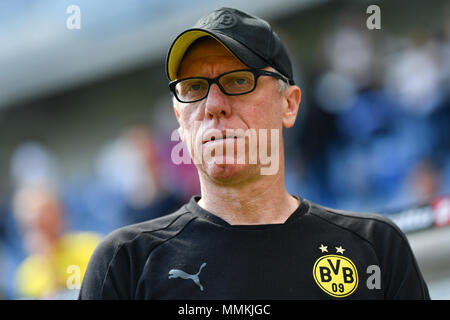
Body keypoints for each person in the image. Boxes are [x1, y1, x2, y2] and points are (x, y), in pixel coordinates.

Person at [79, 7, 430, 299]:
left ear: (289, 105)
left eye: (237, 80)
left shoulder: (374, 247)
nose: (213, 105)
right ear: (179, 121)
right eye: (195, 88)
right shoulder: (127, 263)